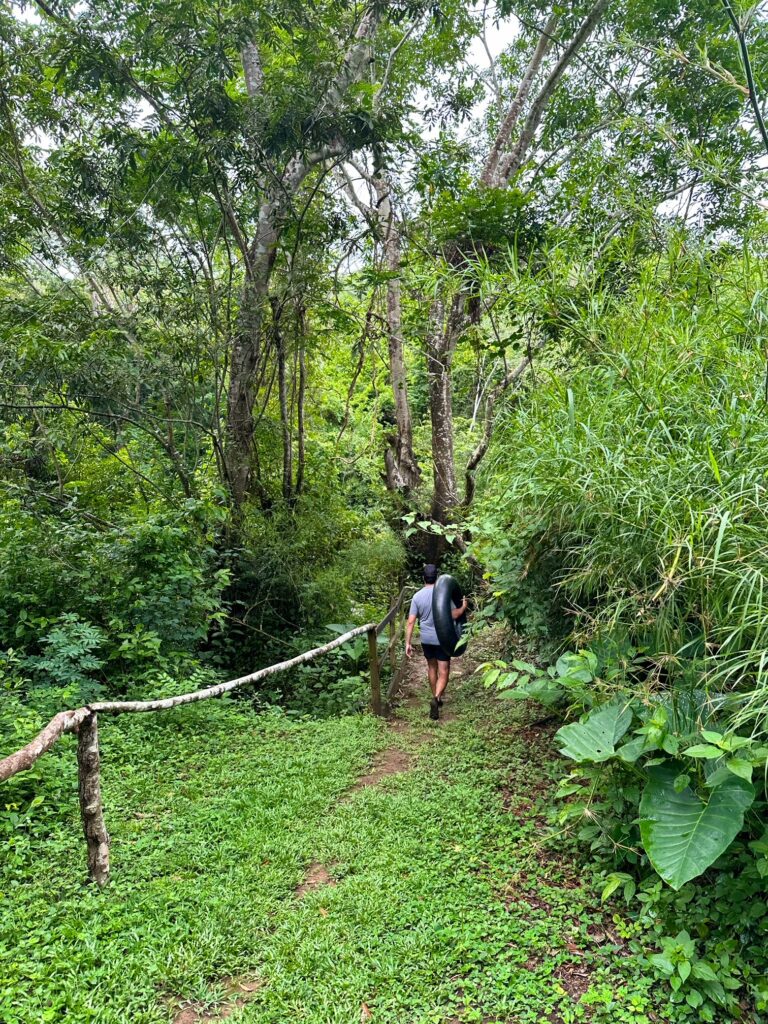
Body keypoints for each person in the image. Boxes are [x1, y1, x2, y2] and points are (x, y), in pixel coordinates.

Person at [405, 563, 468, 720]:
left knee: (431, 667)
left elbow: (411, 621)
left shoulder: (417, 596)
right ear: (437, 576)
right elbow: (453, 615)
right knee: (444, 670)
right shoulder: (443, 594)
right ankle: (437, 697)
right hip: (442, 639)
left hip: (426, 639)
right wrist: (463, 608)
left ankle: (435, 696)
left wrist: (407, 643)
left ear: (423, 578)